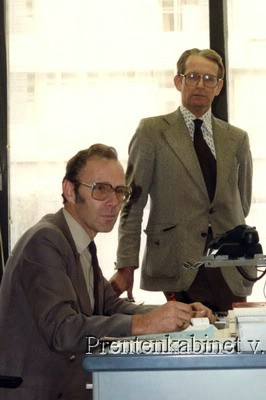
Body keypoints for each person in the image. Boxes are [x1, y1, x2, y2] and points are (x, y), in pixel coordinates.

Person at [0, 144, 213, 400]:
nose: (114, 203)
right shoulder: (46, 240)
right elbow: (62, 329)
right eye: (101, 189)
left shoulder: (82, 242)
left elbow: (111, 306)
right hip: (38, 391)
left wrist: (179, 314)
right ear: (69, 190)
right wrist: (146, 323)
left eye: (120, 191)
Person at [110, 48, 254, 312]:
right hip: (176, 261)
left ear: (219, 86)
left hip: (231, 265)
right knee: (189, 338)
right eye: (193, 76)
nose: (201, 84)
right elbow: (133, 203)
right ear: (178, 81)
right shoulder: (152, 132)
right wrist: (125, 265)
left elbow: (242, 202)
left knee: (233, 337)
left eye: (209, 79)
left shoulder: (237, 139)